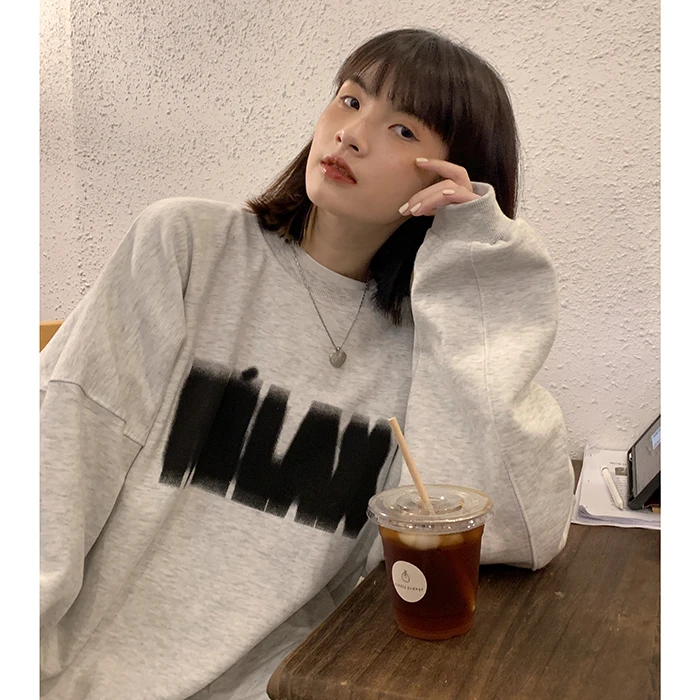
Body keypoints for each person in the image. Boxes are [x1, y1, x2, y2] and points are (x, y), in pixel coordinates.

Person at [40, 27, 575, 700]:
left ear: (450, 176)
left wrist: (478, 266)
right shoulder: (187, 246)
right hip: (81, 672)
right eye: (350, 100)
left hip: (287, 683)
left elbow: (518, 533)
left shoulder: (433, 344)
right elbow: (63, 449)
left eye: (403, 130)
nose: (352, 134)